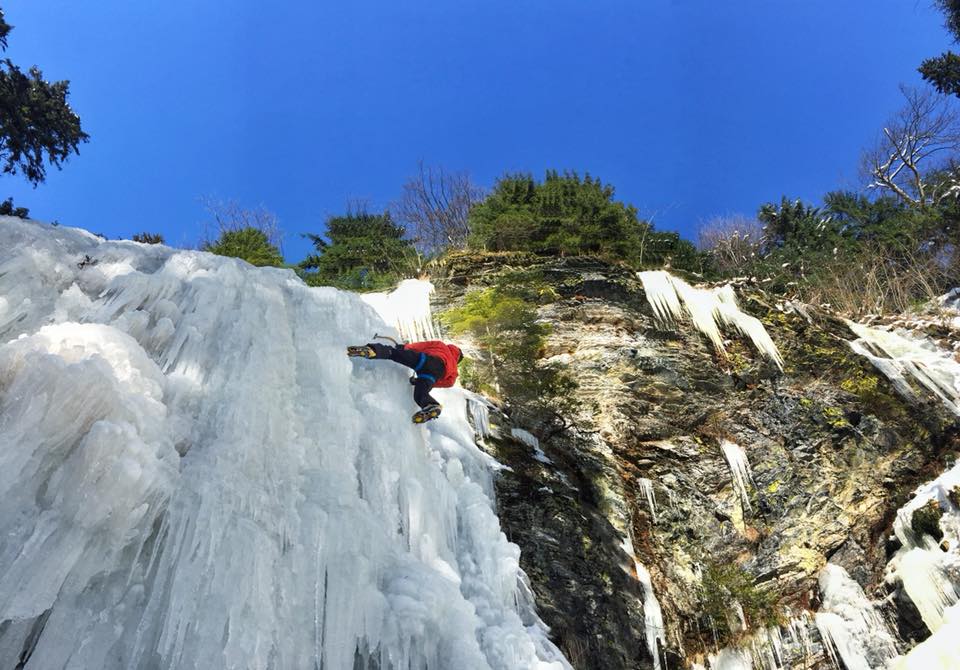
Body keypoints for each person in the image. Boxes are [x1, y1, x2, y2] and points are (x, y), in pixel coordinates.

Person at [347, 340, 463, 423]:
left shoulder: (441, 345)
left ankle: (372, 350)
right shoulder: (454, 369)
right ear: (457, 359)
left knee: (393, 353)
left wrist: (405, 348)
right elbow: (449, 383)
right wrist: (420, 381)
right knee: (420, 395)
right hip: (432, 375)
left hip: (426, 360)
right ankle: (431, 405)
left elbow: (421, 346)